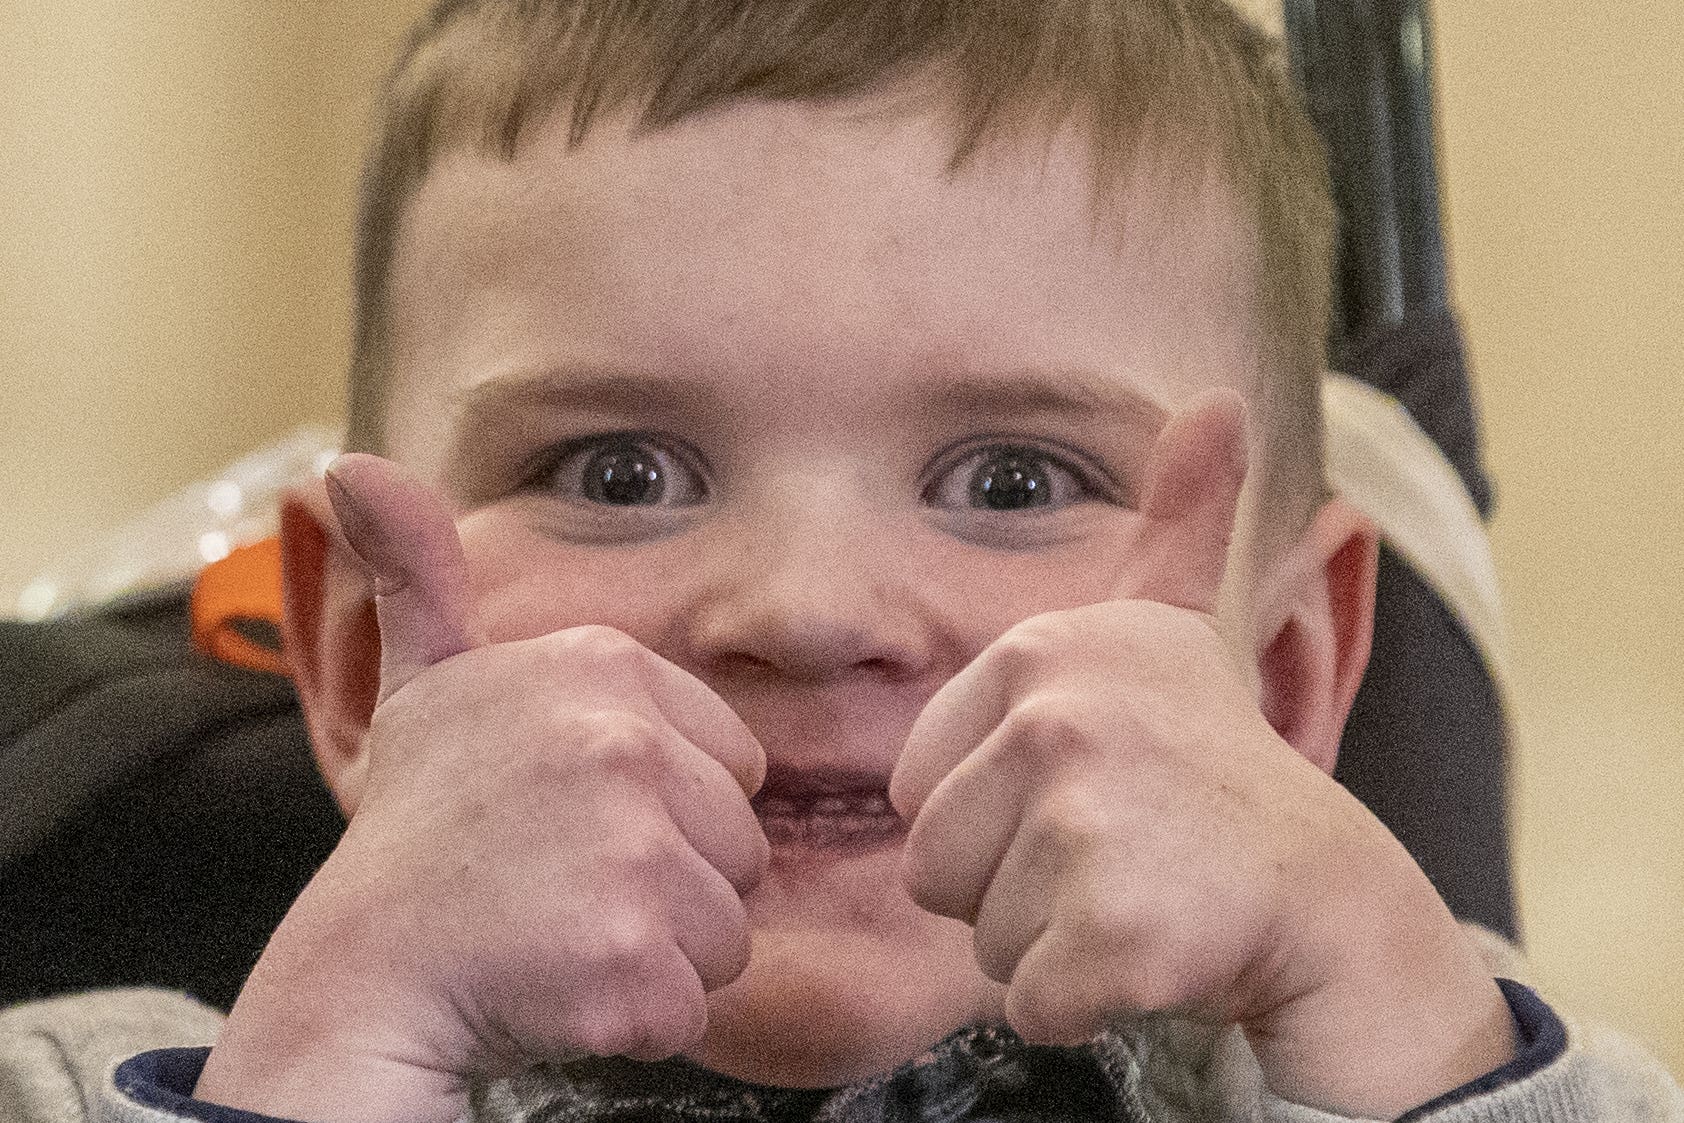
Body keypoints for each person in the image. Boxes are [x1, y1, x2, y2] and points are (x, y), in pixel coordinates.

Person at [3, 1, 1679, 1120]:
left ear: (1291, 675)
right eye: (621, 469)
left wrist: (1380, 988)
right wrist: (342, 1051)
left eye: (1016, 478)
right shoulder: (109, 1074)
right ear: (363, 658)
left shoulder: (1374, 1060)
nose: (808, 613)